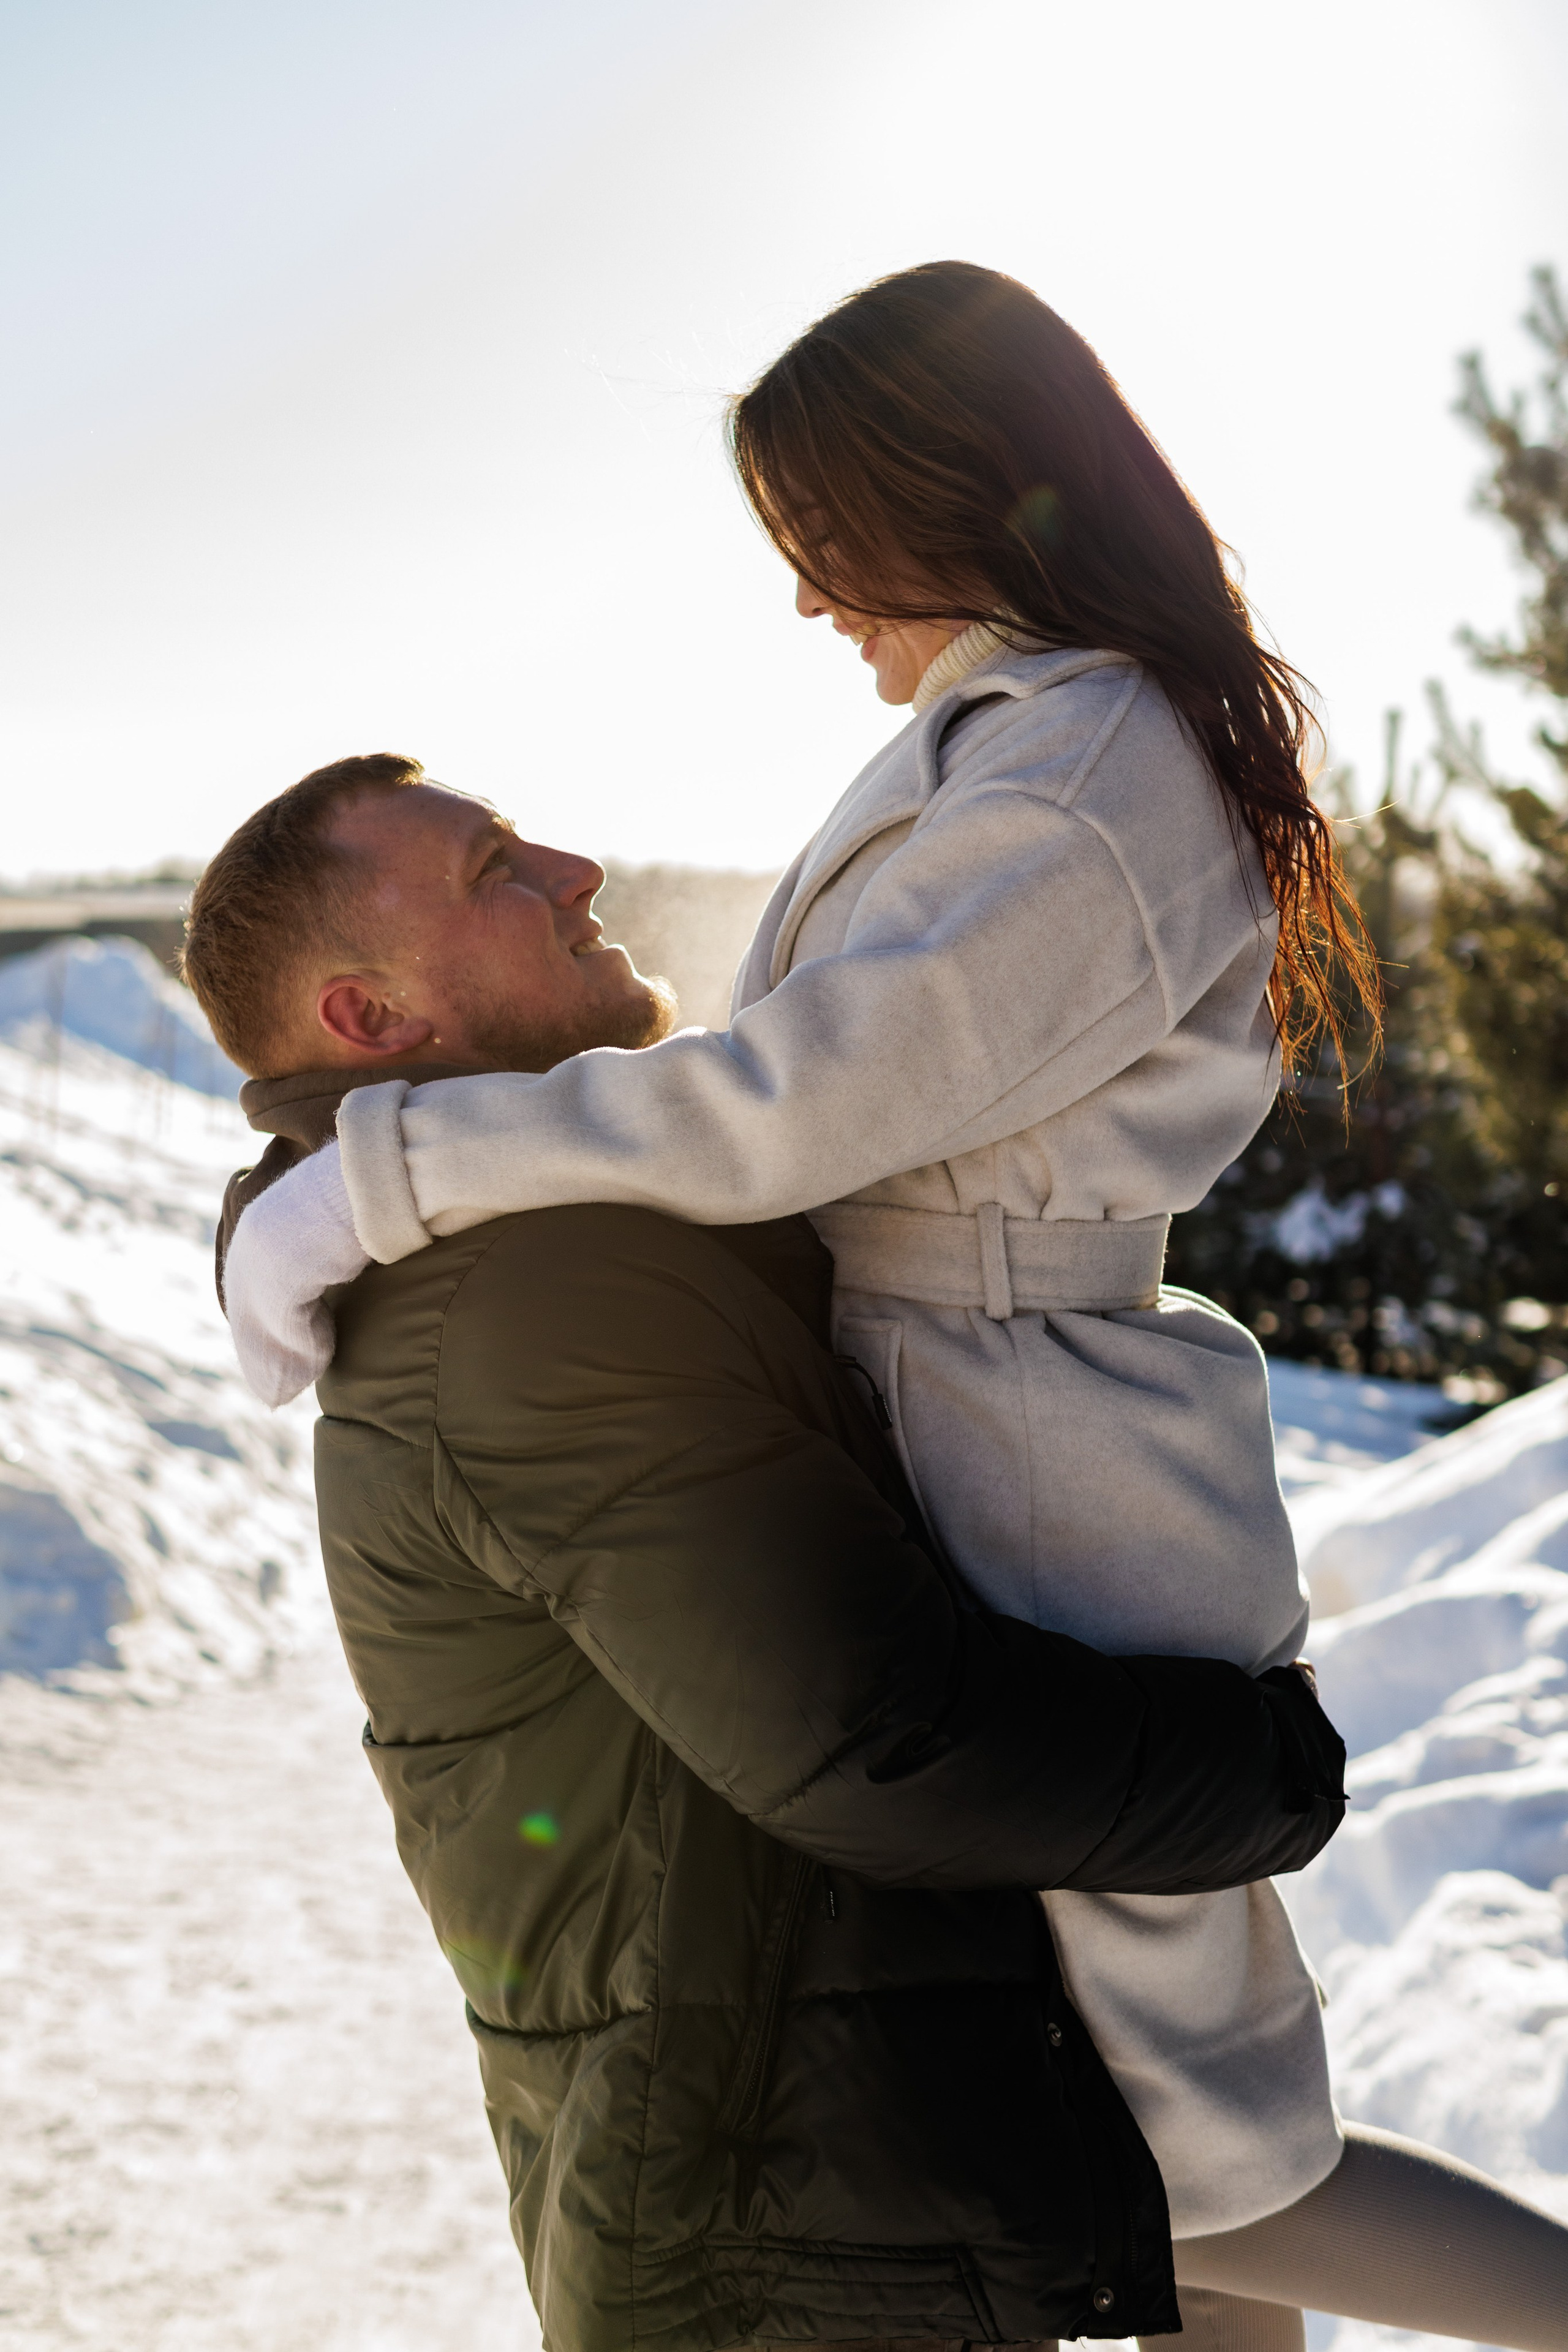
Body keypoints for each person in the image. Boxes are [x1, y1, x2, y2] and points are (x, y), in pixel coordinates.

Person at [215, 257, 1568, 2352]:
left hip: (1043, 1452)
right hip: (983, 1409)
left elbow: (804, 1100)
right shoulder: (1023, 732)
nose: (803, 598)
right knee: (1164, 2157)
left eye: (815, 538)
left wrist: (382, 1174)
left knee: (1204, 2167)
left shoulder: (1092, 753)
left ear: (946, 487)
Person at [184, 753, 1352, 2352]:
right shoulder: (530, 1299)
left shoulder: (554, 1234)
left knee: (1250, 2247)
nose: (578, 871)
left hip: (810, 2174)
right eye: (495, 871)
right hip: (782, 2234)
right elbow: (883, 1743)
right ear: (372, 1024)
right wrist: (1271, 1760)